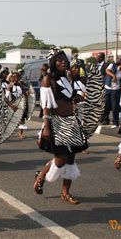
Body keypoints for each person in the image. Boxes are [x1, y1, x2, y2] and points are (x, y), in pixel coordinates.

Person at [33, 47, 88, 205]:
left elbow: (69, 98)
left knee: (71, 158)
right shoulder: (47, 79)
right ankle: (42, 175)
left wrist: (78, 98)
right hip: (57, 122)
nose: (63, 62)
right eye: (59, 60)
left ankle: (65, 193)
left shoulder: (68, 77)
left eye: (64, 59)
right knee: (61, 158)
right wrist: (46, 126)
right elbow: (47, 105)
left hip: (71, 121)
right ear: (52, 63)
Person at [102, 60, 121, 128]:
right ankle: (105, 120)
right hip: (108, 88)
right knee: (106, 105)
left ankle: (115, 122)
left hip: (116, 90)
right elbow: (107, 71)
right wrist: (113, 75)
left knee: (115, 107)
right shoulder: (112, 65)